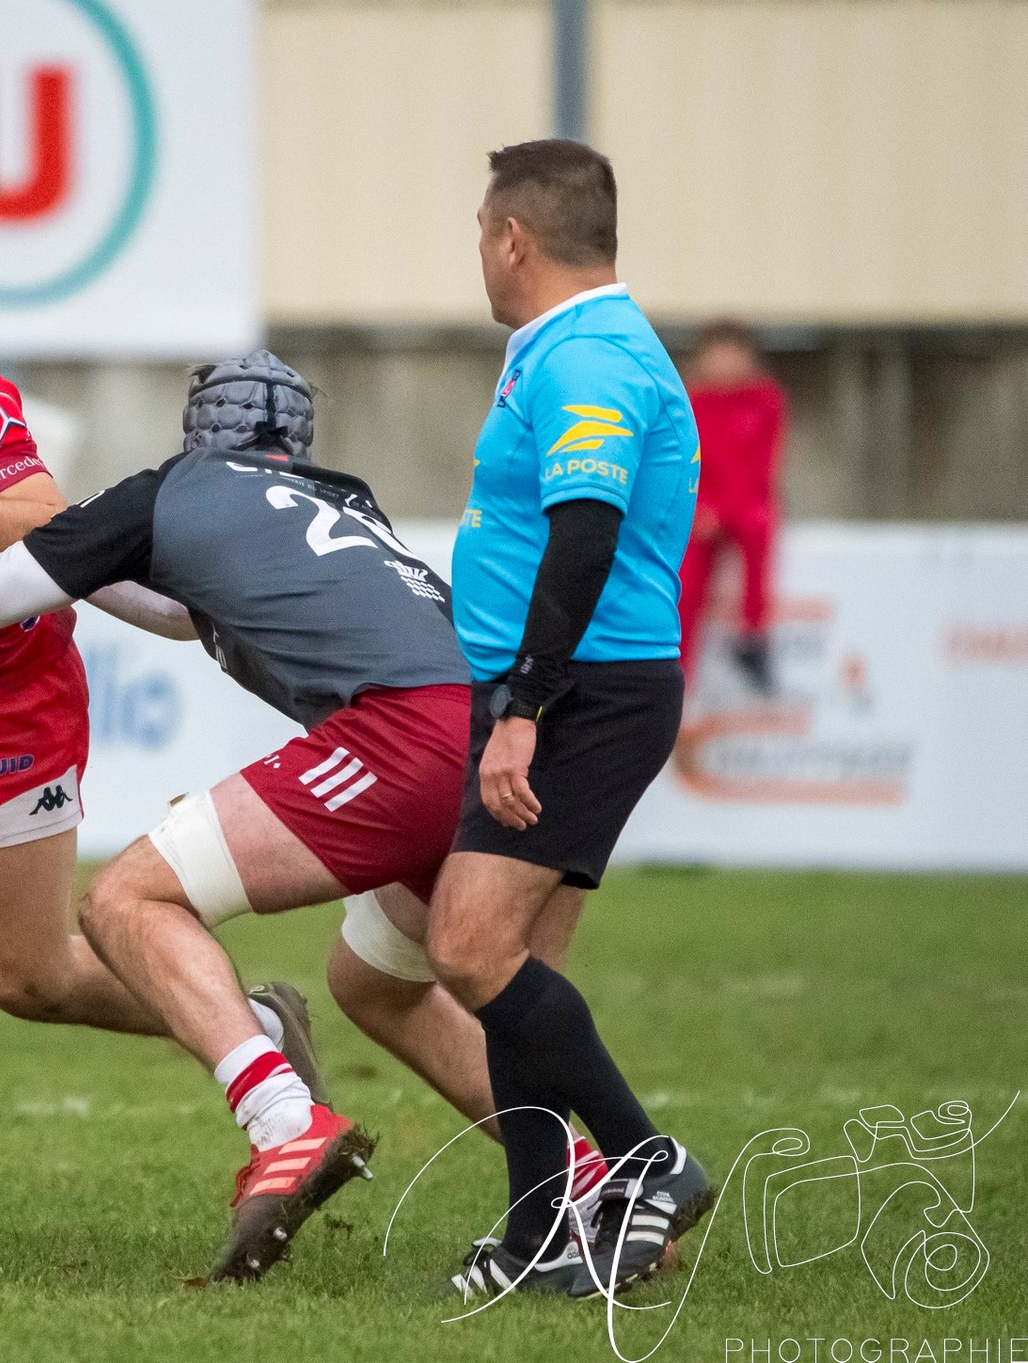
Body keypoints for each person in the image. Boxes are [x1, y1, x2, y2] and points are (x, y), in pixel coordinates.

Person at [0, 350, 607, 1280]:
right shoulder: (348, 500)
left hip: (403, 739)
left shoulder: (171, 489)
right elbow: (173, 610)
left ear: (196, 432)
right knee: (377, 984)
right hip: (500, 747)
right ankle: (588, 1183)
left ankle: (283, 1121)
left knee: (127, 900)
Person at [437, 140, 710, 1300]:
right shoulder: (565, 345)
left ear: (513, 238)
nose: (478, 253)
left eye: (479, 232)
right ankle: (537, 1234)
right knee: (516, 973)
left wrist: (524, 705)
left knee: (465, 948)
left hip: (579, 693)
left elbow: (585, 533)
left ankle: (647, 1162)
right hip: (569, 687)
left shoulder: (588, 354)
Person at [679, 321, 784, 693]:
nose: (725, 364)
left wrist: (722, 512)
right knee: (687, 582)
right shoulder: (691, 401)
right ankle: (679, 674)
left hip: (744, 505)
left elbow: (761, 466)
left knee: (759, 526)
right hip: (703, 507)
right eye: (718, 355)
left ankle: (753, 635)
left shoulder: (765, 400)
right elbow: (684, 464)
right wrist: (702, 508)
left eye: (733, 354)